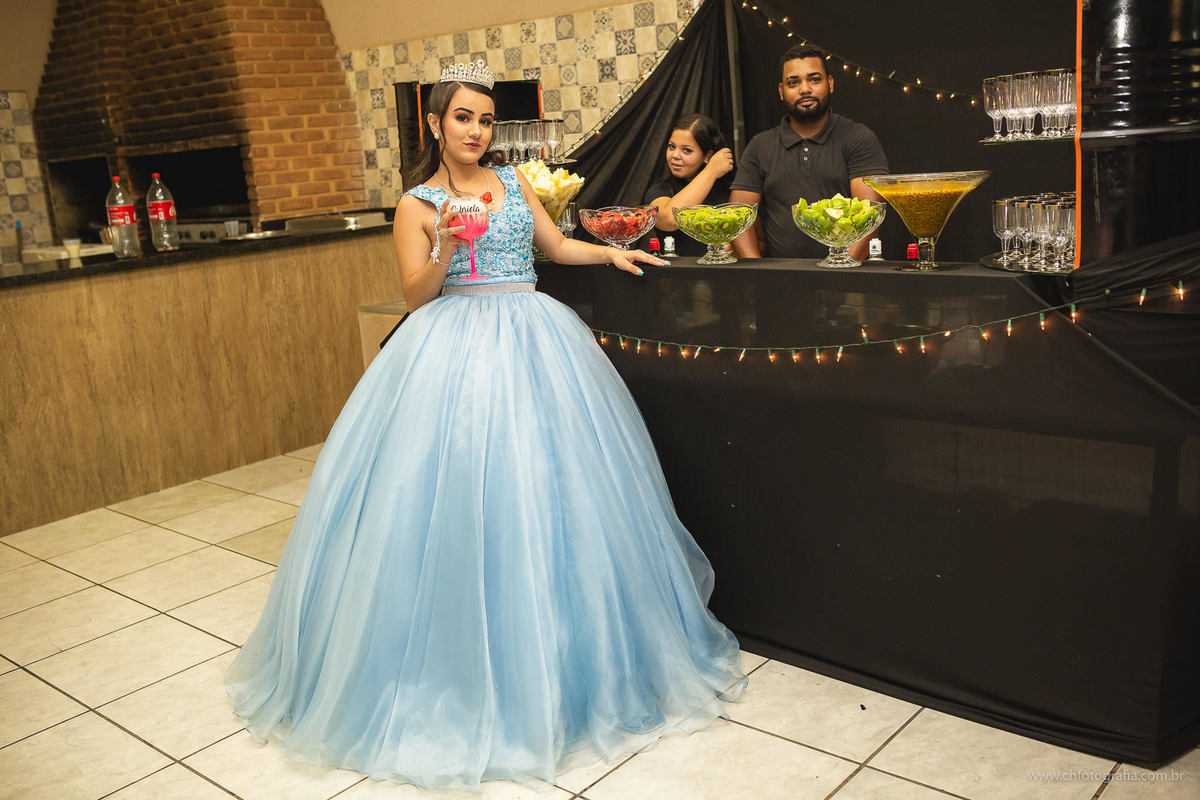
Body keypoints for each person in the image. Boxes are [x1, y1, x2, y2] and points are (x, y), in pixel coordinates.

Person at [225, 60, 747, 793]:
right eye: (461, 117)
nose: (474, 130)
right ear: (435, 124)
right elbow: (414, 293)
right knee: (460, 498)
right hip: (453, 344)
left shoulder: (515, 183)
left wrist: (612, 251)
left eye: (484, 119)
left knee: (555, 494)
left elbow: (554, 248)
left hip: (537, 333)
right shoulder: (416, 202)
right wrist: (445, 239)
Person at [730, 44, 889, 260]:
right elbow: (738, 218)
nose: (804, 89)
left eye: (814, 79)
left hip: (848, 278)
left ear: (830, 84)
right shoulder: (760, 146)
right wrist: (760, 275)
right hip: (781, 283)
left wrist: (840, 270)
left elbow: (869, 219)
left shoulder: (858, 139)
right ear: (780, 91)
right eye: (793, 82)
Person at [644, 113, 734, 257]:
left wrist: (735, 248)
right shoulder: (660, 190)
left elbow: (759, 241)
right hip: (676, 276)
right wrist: (711, 170)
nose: (675, 155)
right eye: (672, 147)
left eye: (686, 150)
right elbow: (669, 220)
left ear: (707, 155)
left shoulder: (729, 190)